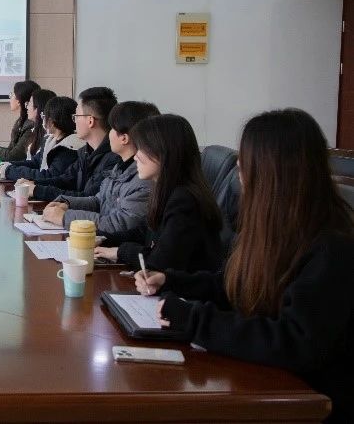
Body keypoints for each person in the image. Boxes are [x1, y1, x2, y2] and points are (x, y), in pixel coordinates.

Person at [137, 109, 354, 423]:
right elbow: (233, 285)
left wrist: (196, 320)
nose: (238, 167)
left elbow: (295, 342)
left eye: (246, 161)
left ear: (274, 171)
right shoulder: (270, 226)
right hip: (260, 377)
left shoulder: (332, 248)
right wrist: (170, 281)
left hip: (304, 401)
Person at [95, 114, 222, 271]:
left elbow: (160, 262)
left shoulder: (184, 200)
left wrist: (120, 252)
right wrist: (103, 239)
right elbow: (145, 232)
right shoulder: (166, 190)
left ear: (163, 152)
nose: (135, 156)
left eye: (141, 149)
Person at [42, 101, 159, 233]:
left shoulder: (143, 179)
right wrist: (67, 204)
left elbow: (119, 224)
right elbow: (99, 201)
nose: (108, 134)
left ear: (124, 138)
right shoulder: (120, 166)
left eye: (112, 129)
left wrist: (65, 217)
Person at [19, 87, 121, 201]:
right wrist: (33, 183)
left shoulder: (113, 160)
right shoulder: (86, 151)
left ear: (90, 121)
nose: (74, 121)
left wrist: (38, 190)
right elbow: (65, 180)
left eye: (76, 116)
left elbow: (88, 199)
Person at [0, 93, 84, 181]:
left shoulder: (68, 148)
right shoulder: (50, 140)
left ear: (51, 122)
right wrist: (8, 164)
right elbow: (35, 162)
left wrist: (9, 171)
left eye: (44, 116)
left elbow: (48, 176)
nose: (43, 119)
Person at [0, 80, 40, 161]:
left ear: (19, 101)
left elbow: (14, 156)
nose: (10, 98)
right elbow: (11, 150)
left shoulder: (31, 125)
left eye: (12, 95)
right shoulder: (21, 121)